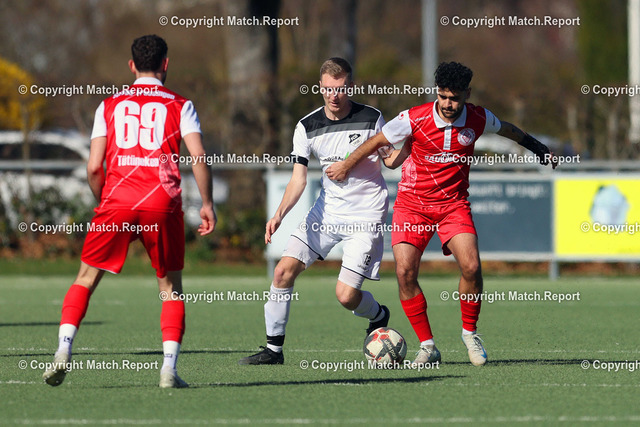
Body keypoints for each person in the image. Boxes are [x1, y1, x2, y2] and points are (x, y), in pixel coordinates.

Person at [326, 61, 556, 366]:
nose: (448, 104)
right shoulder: (414, 117)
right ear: (437, 92)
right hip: (412, 205)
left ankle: (470, 334)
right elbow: (377, 141)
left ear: (467, 94)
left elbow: (507, 129)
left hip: (453, 206)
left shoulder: (478, 117)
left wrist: (537, 147)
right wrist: (346, 165)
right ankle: (428, 345)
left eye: (455, 98)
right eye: (443, 96)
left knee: (471, 266)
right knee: (405, 273)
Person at [42, 34, 216, 388]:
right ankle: (168, 370)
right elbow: (198, 157)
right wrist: (208, 203)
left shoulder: (108, 105)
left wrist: (104, 200)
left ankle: (63, 349)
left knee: (85, 279)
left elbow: (94, 166)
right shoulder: (180, 104)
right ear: (165, 64)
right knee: (170, 289)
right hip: (161, 204)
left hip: (117, 201)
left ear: (131, 65)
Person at [238, 57, 407, 365]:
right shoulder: (307, 126)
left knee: (346, 296)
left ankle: (378, 314)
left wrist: (408, 146)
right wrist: (278, 215)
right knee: (282, 271)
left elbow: (390, 160)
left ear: (350, 86)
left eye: (340, 88)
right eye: (328, 89)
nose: (334, 95)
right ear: (320, 87)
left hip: (365, 216)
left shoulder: (371, 117)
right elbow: (298, 179)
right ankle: (273, 350)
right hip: (326, 214)